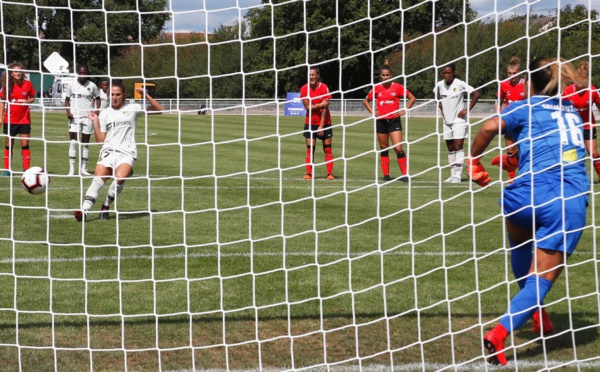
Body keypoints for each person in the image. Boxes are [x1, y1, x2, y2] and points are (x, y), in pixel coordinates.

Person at [466, 58, 589, 366]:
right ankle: (498, 333)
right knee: (542, 279)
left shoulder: (526, 106)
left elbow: (490, 126)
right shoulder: (572, 111)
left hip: (522, 196)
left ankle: (538, 315)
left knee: (520, 246)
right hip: (564, 199)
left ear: (528, 82)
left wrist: (474, 161)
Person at [74, 81, 163, 222]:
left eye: (117, 95)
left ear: (124, 95)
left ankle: (106, 206)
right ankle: (84, 211)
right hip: (108, 150)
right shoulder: (105, 114)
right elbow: (100, 141)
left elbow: (159, 109)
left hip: (127, 152)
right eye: (112, 95)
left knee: (120, 178)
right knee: (98, 178)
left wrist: (145, 95)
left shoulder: (133, 108)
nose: (114, 97)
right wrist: (95, 122)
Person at [363, 64, 416, 182]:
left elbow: (412, 98)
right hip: (381, 121)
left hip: (394, 121)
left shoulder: (397, 87)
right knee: (383, 148)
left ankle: (405, 175)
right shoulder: (376, 88)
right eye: (383, 75)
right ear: (380, 76)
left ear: (391, 76)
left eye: (387, 75)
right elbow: (365, 100)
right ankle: (386, 175)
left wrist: (405, 110)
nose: (386, 77)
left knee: (398, 148)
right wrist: (372, 111)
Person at [434, 63, 480, 183]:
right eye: (444, 73)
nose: (446, 75)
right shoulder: (439, 85)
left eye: (449, 73)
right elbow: (434, 95)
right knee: (450, 148)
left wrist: (467, 109)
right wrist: (440, 106)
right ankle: (452, 175)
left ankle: (458, 176)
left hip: (459, 120)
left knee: (458, 146)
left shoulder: (459, 83)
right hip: (446, 121)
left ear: (453, 73)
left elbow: (476, 94)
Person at [562, 60, 600, 184]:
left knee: (593, 153)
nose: (583, 86)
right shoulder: (567, 91)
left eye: (585, 83)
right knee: (572, 154)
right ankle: (571, 179)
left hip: (588, 126)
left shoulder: (592, 91)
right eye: (580, 83)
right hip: (572, 127)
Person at [492, 57, 526, 181]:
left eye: (514, 73)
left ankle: (524, 174)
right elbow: (498, 102)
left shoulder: (526, 84)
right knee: (510, 150)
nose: (512, 76)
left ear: (519, 72)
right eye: (509, 73)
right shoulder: (503, 85)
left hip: (523, 123)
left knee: (524, 149)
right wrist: (496, 118)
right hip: (509, 121)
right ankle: (511, 178)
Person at [0, 62, 36, 177]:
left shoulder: (28, 84)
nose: (18, 73)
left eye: (20, 71)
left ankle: (26, 170)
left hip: (24, 119)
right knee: (8, 144)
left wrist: (27, 101)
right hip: (10, 120)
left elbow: (32, 98)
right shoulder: (7, 86)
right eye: (15, 71)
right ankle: (7, 169)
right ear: (11, 73)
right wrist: (0, 117)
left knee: (24, 143)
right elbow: (2, 101)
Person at [300, 66, 335, 180]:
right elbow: (308, 107)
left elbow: (325, 108)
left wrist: (321, 126)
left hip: (325, 122)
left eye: (313, 75)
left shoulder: (324, 88)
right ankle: (309, 173)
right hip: (310, 123)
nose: (311, 77)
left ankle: (329, 173)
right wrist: (320, 104)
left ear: (317, 76)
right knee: (310, 149)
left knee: (327, 148)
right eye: (309, 75)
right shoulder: (304, 88)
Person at [65, 63, 100, 176]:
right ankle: (71, 169)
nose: (83, 75)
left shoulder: (92, 86)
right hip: (75, 116)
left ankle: (83, 168)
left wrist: (97, 110)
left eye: (85, 73)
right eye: (81, 73)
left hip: (87, 117)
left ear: (87, 73)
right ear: (77, 73)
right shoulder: (72, 85)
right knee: (73, 142)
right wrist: (68, 112)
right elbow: (66, 100)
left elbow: (98, 98)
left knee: (85, 143)